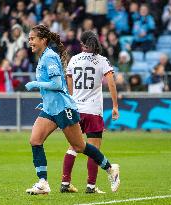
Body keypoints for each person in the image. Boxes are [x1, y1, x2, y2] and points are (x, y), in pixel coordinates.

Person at [25, 25, 120, 195]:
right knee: (35, 140)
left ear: (43, 40)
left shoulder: (50, 57)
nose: (29, 41)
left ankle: (110, 168)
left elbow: (56, 84)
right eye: (29, 38)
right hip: (50, 108)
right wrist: (45, 101)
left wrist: (35, 84)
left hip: (63, 109)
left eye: (32, 38)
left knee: (79, 146)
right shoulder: (43, 57)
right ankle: (43, 183)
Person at [60, 31, 119, 194]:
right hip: (93, 110)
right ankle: (91, 186)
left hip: (76, 109)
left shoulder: (74, 59)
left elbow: (69, 83)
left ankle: (65, 182)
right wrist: (115, 105)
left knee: (73, 145)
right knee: (94, 148)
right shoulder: (102, 61)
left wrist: (73, 102)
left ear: (82, 44)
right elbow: (111, 84)